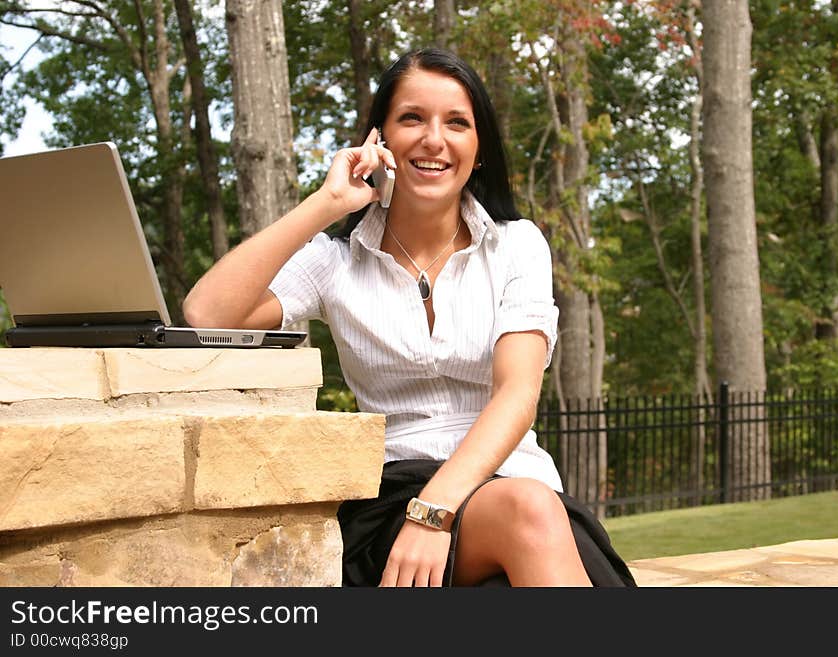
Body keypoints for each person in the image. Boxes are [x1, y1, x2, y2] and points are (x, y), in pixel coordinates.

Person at [183, 47, 636, 588]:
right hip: (395, 500)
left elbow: (517, 394)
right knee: (531, 515)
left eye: (457, 123)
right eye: (412, 118)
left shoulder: (518, 246)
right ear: (380, 139)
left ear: (479, 148)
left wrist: (437, 511)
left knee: (531, 515)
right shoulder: (336, 259)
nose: (433, 139)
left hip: (513, 485)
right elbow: (206, 312)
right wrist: (327, 202)